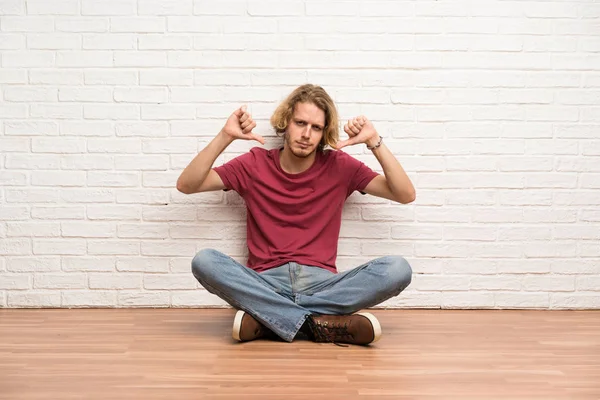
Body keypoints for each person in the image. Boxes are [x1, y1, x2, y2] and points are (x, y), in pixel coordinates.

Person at [177, 84, 415, 346]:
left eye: (316, 127)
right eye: (300, 123)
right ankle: (317, 324)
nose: (306, 134)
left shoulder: (340, 166)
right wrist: (225, 136)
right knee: (204, 261)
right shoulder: (254, 164)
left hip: (323, 286)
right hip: (264, 282)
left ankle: (268, 320)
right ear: (285, 123)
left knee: (398, 269)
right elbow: (187, 185)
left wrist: (374, 142)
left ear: (324, 132)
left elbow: (404, 194)